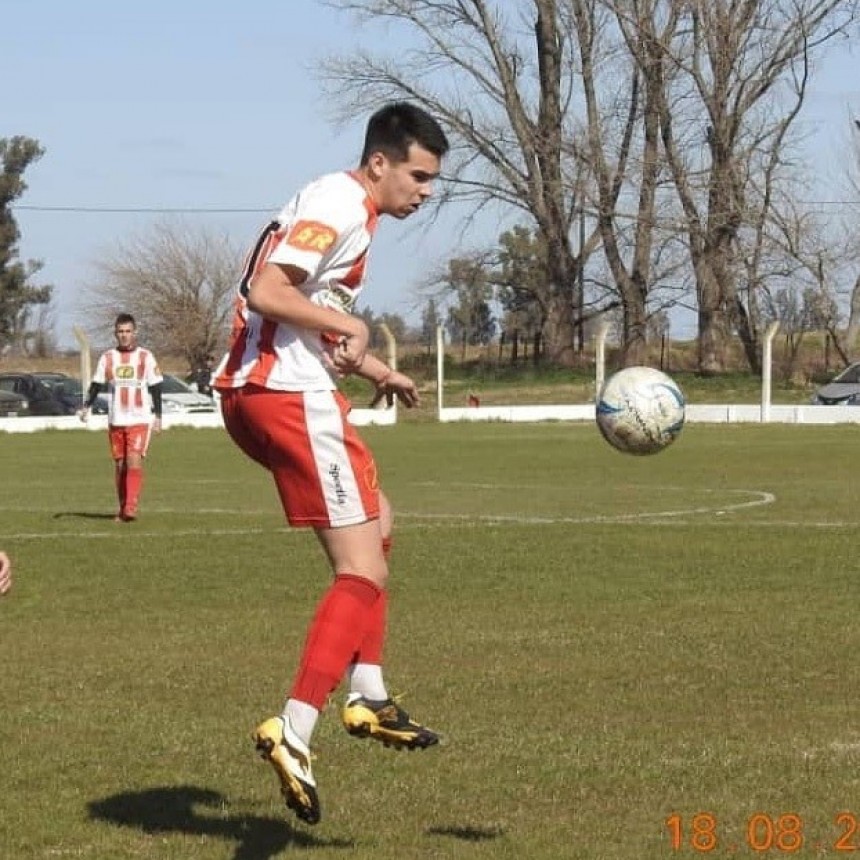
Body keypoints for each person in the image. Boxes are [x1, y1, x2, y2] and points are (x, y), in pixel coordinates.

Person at [213, 102, 449, 826]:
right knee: (361, 569)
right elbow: (268, 292)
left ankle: (370, 693)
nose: (425, 190)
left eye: (433, 179)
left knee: (380, 521)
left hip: (266, 393)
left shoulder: (347, 209)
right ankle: (296, 725)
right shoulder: (340, 201)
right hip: (286, 398)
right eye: (418, 174)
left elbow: (295, 309)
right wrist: (352, 323)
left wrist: (376, 366)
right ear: (380, 162)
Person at [79, 313, 164, 522]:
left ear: (134, 332)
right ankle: (122, 507)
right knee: (120, 465)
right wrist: (86, 406)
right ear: (115, 333)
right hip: (116, 419)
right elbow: (97, 384)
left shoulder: (146, 356)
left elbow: (156, 387)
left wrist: (158, 416)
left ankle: (130, 509)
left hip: (139, 419)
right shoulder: (108, 358)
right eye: (120, 332)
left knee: (134, 461)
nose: (124, 335)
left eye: (128, 331)